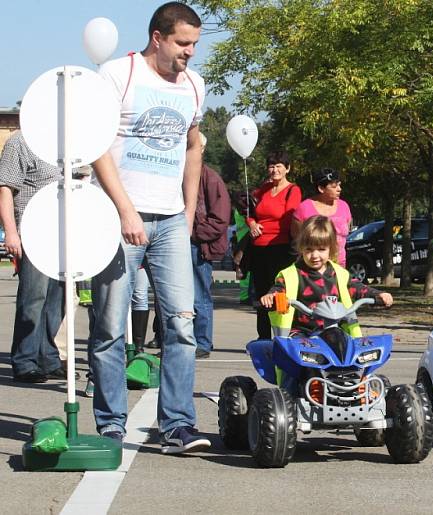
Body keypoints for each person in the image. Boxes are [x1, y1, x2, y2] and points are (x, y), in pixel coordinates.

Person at [88, 2, 211, 453]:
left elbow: (193, 148)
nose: (190, 53)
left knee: (181, 323)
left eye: (195, 44)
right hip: (121, 220)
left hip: (171, 221)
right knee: (110, 327)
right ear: (157, 37)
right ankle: (111, 424)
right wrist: (124, 211)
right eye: (182, 43)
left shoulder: (194, 85)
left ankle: (177, 425)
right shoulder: (117, 76)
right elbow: (96, 145)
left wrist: (188, 209)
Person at [0, 131, 66, 383]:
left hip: (62, 235)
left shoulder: (65, 142)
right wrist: (11, 232)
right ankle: (25, 360)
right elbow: (5, 188)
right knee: (33, 299)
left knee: (55, 302)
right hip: (33, 232)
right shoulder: (20, 141)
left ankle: (47, 358)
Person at [260, 215, 393, 337]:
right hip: (302, 332)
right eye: (309, 250)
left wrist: (377, 295)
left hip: (334, 330)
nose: (315, 255)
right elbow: (279, 289)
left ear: (331, 249)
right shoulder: (291, 275)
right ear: (301, 248)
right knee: (297, 355)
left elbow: (357, 288)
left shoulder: (339, 274)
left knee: (353, 355)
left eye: (321, 249)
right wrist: (271, 297)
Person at [247, 151, 301, 339]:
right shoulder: (263, 189)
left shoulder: (293, 190)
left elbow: (291, 218)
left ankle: (283, 336)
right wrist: (252, 224)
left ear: (287, 168)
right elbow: (250, 212)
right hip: (259, 249)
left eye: (279, 166)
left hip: (281, 248)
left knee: (280, 295)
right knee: (261, 295)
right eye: (271, 166)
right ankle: (263, 338)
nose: (274, 170)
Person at [191, 132, 231, 357]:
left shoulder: (211, 179)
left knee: (199, 296)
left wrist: (194, 233)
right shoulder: (182, 174)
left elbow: (220, 219)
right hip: (182, 242)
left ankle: (203, 342)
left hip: (197, 246)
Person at [292, 168, 351, 267]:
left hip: (339, 266)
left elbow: (346, 232)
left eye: (339, 184)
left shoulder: (344, 206)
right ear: (321, 188)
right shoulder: (304, 209)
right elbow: (297, 238)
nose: (339, 189)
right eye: (334, 186)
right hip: (312, 266)